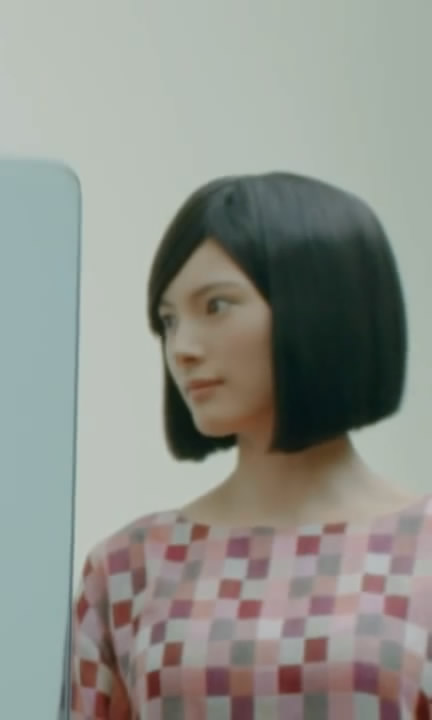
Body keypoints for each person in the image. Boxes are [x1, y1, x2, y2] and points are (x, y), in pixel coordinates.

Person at [66, 172, 424, 718]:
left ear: (320, 306)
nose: (181, 348)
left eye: (215, 306)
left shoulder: (422, 551)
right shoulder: (128, 567)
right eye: (168, 320)